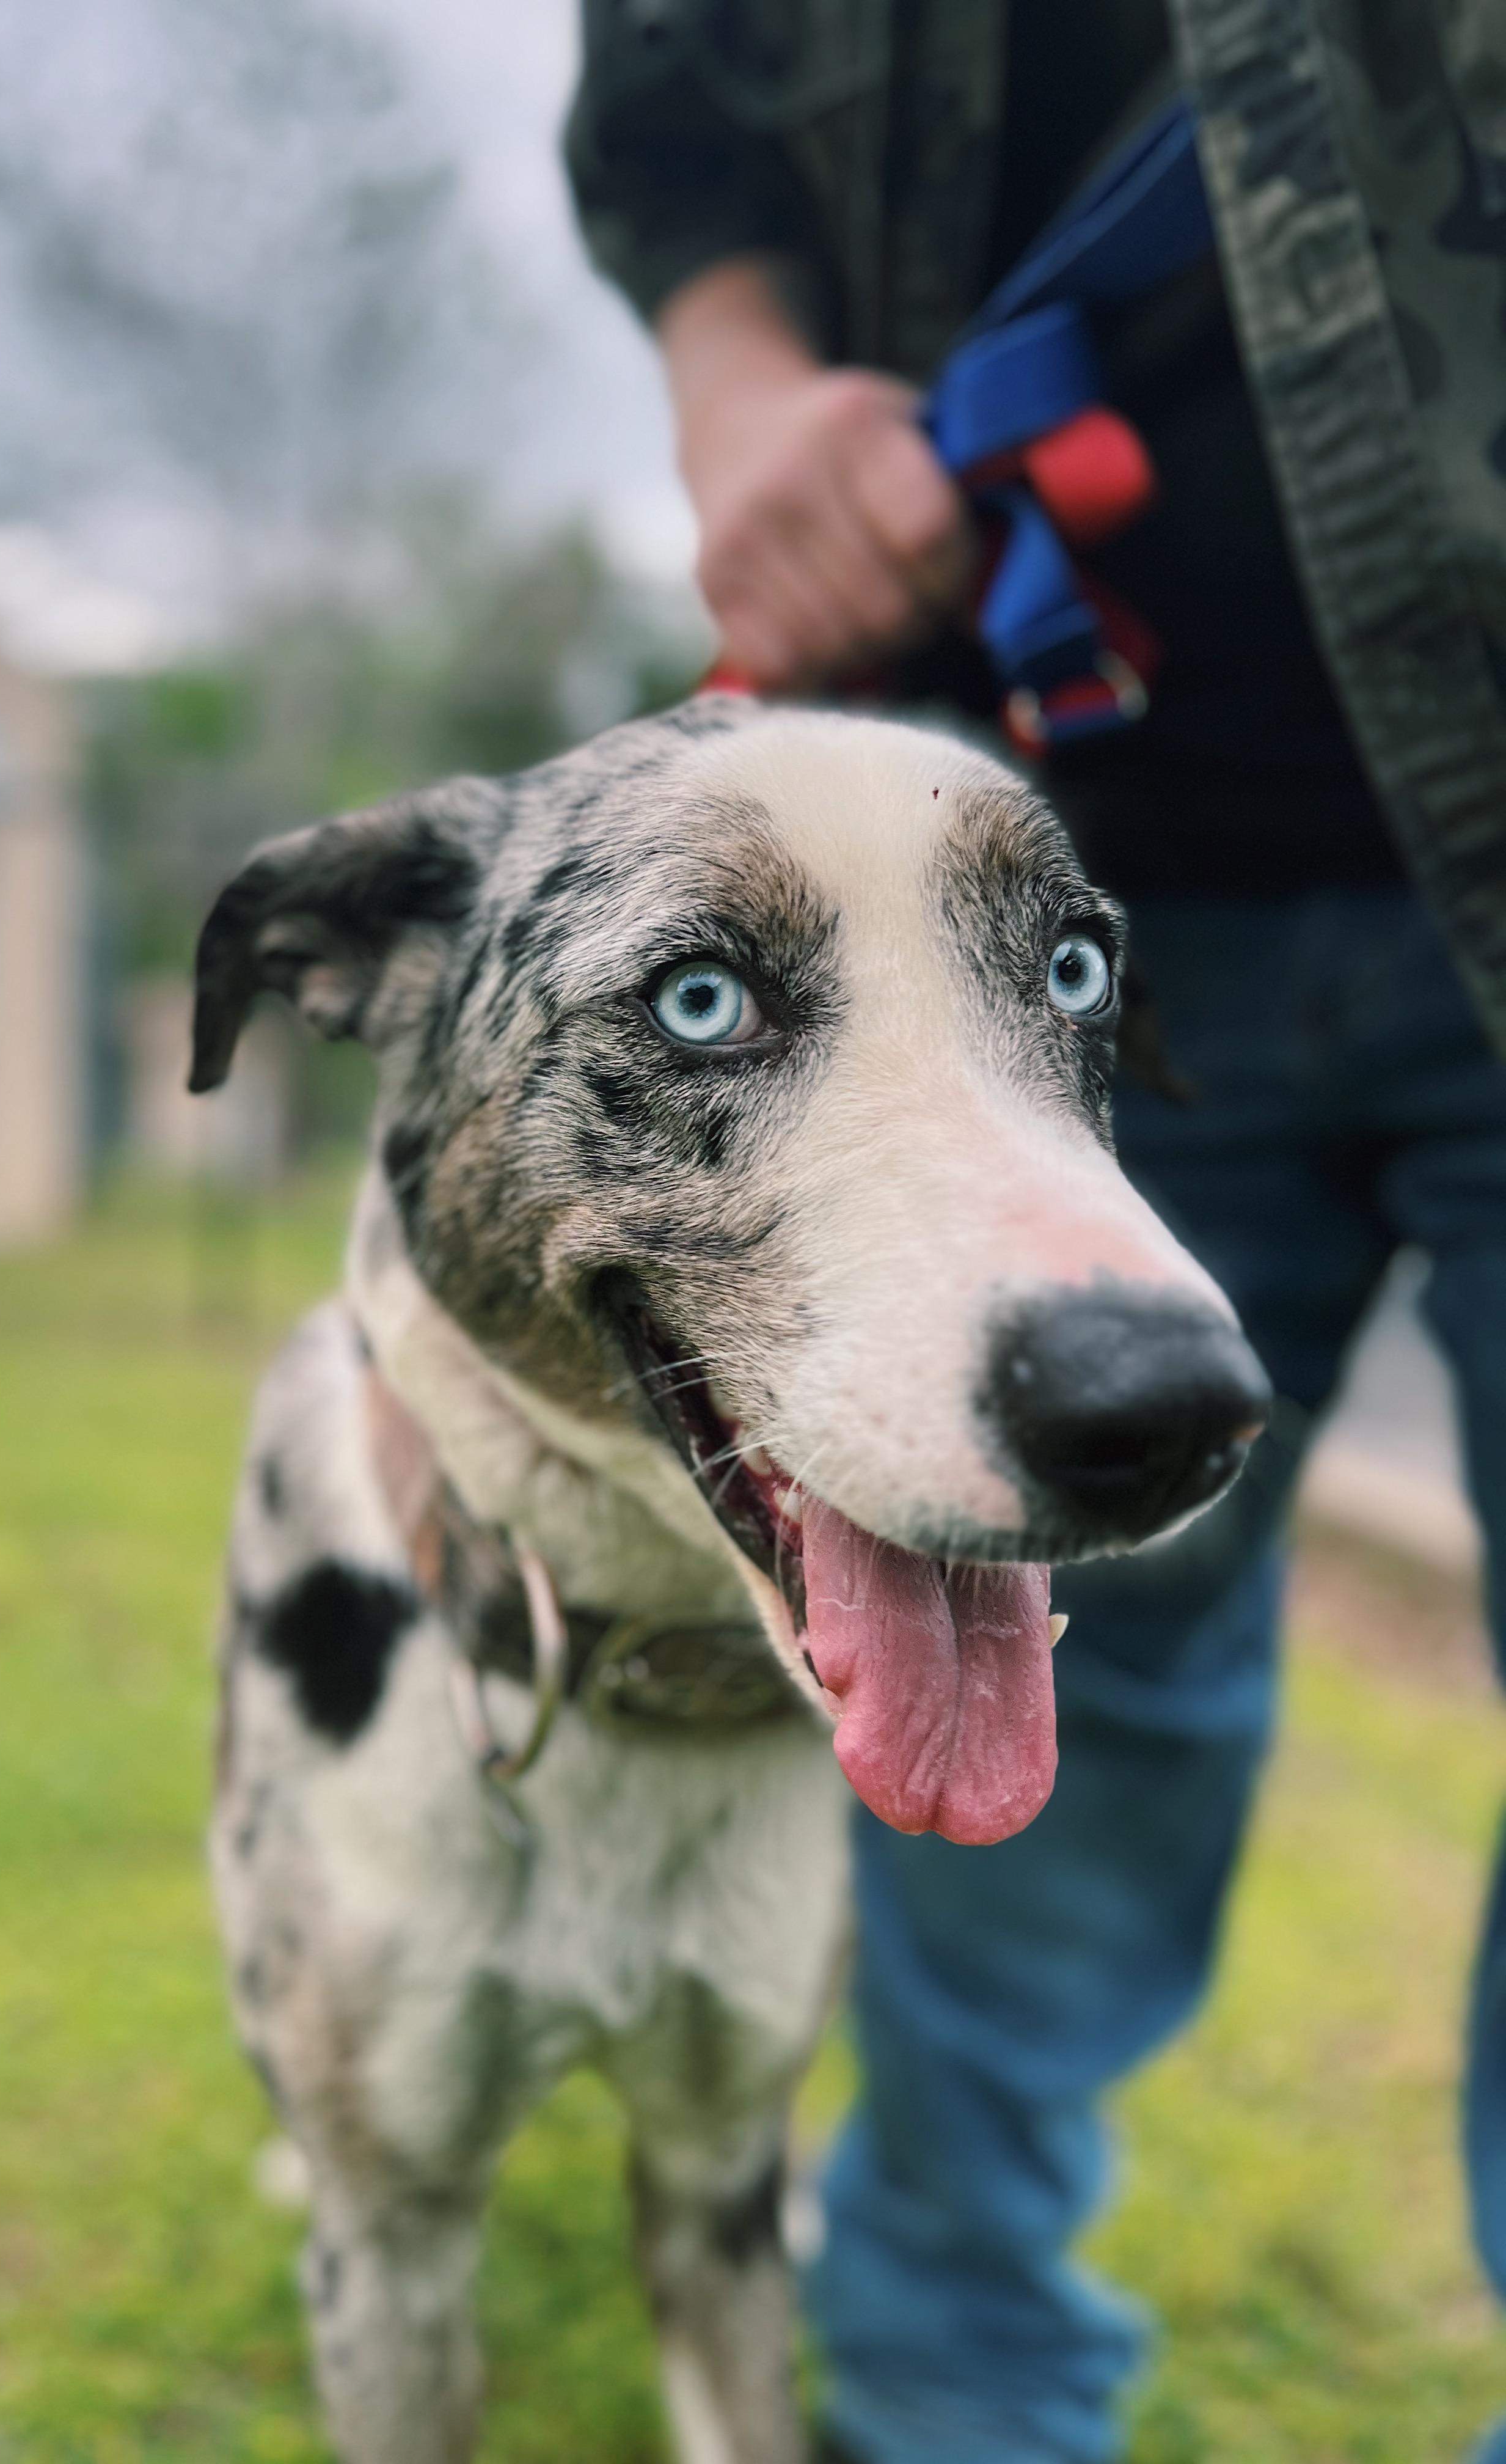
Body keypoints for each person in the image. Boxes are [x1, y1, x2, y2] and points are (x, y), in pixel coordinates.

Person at [566, 4, 1506, 2458]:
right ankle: (951, 2398)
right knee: (1022, 1674)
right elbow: (674, 107)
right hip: (1019, 899)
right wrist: (742, 393)